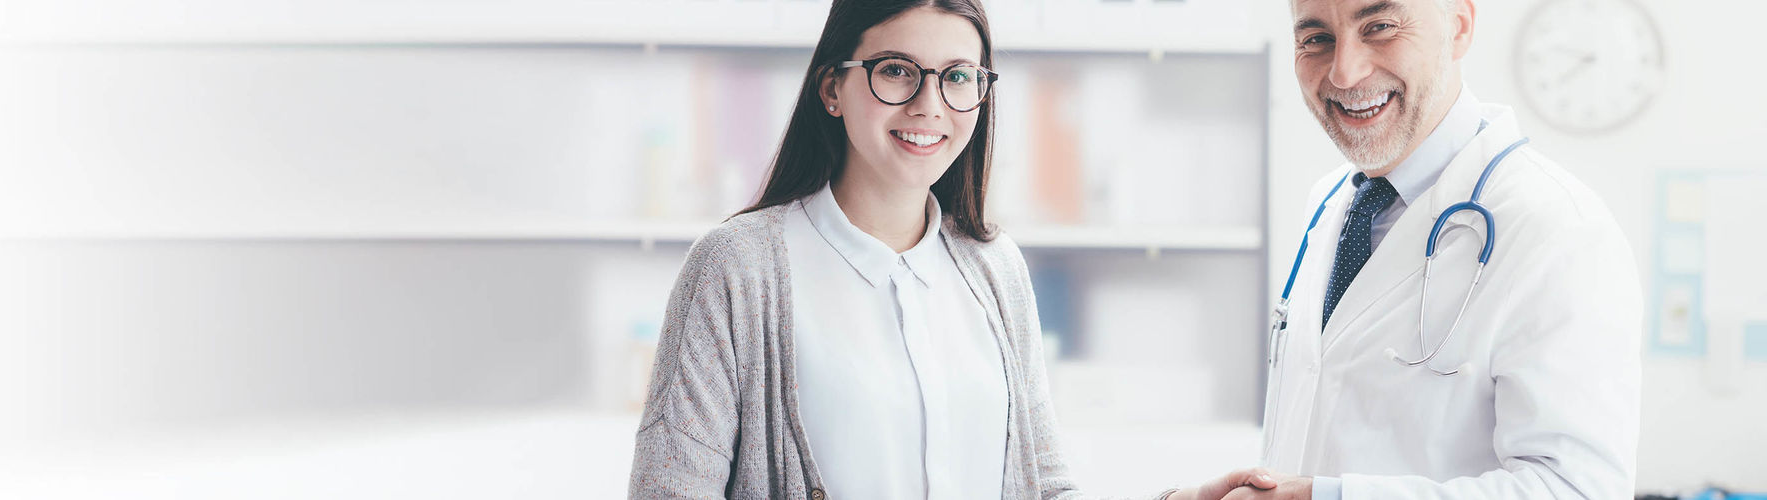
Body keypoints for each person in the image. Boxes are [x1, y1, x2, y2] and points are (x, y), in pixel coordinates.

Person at [628, 0, 1277, 498]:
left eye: (958, 77)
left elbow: (1045, 486)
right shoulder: (738, 269)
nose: (929, 105)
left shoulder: (995, 271)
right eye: (895, 72)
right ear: (832, 87)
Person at [1237, 1, 1642, 498]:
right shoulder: (1328, 204)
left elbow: (1576, 489)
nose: (1344, 73)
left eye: (1380, 27)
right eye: (1316, 38)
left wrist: (1328, 497)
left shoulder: (1559, 229)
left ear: (1459, 26)